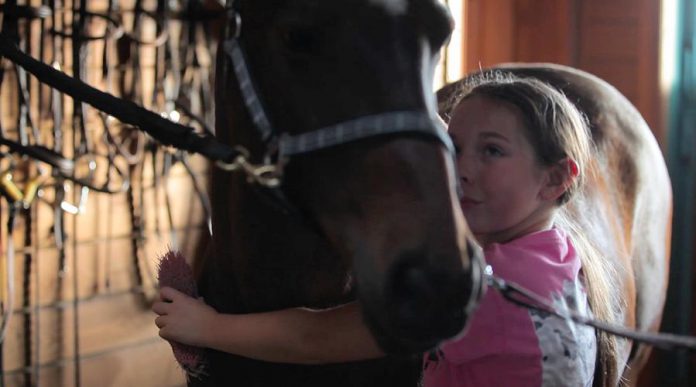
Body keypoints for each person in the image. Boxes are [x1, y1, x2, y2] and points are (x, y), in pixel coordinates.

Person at [153, 73, 620, 386]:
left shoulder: (485, 295)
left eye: (492, 151)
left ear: (556, 178)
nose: (462, 169)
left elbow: (315, 339)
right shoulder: (551, 253)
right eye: (454, 147)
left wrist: (208, 328)